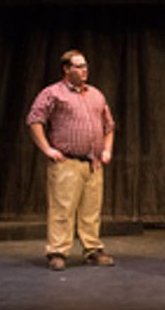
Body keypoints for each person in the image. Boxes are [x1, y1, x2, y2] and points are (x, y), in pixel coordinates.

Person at [26, 49, 116, 271]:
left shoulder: (96, 94)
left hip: (93, 163)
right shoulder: (53, 93)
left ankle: (93, 249)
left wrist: (107, 150)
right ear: (66, 69)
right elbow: (35, 120)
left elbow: (109, 125)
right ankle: (57, 252)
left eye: (85, 66)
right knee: (62, 209)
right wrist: (47, 149)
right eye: (79, 66)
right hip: (67, 162)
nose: (84, 70)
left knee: (91, 211)